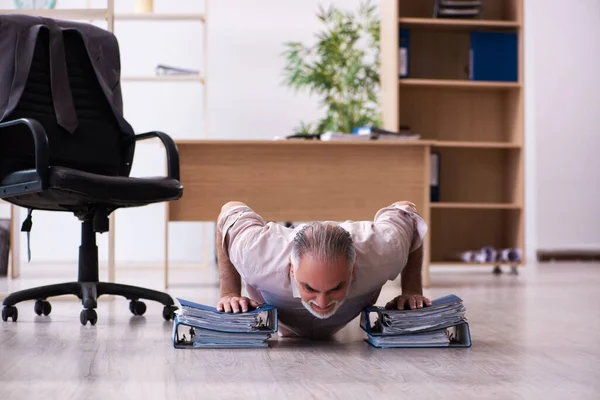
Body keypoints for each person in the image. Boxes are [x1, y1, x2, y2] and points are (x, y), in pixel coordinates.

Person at [215, 200, 431, 338]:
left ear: (353, 270)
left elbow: (407, 212)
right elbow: (229, 210)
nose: (322, 303)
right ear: (292, 269)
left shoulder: (384, 250)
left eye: (336, 288)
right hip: (281, 319)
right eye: (310, 288)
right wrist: (229, 292)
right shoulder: (257, 254)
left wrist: (412, 289)